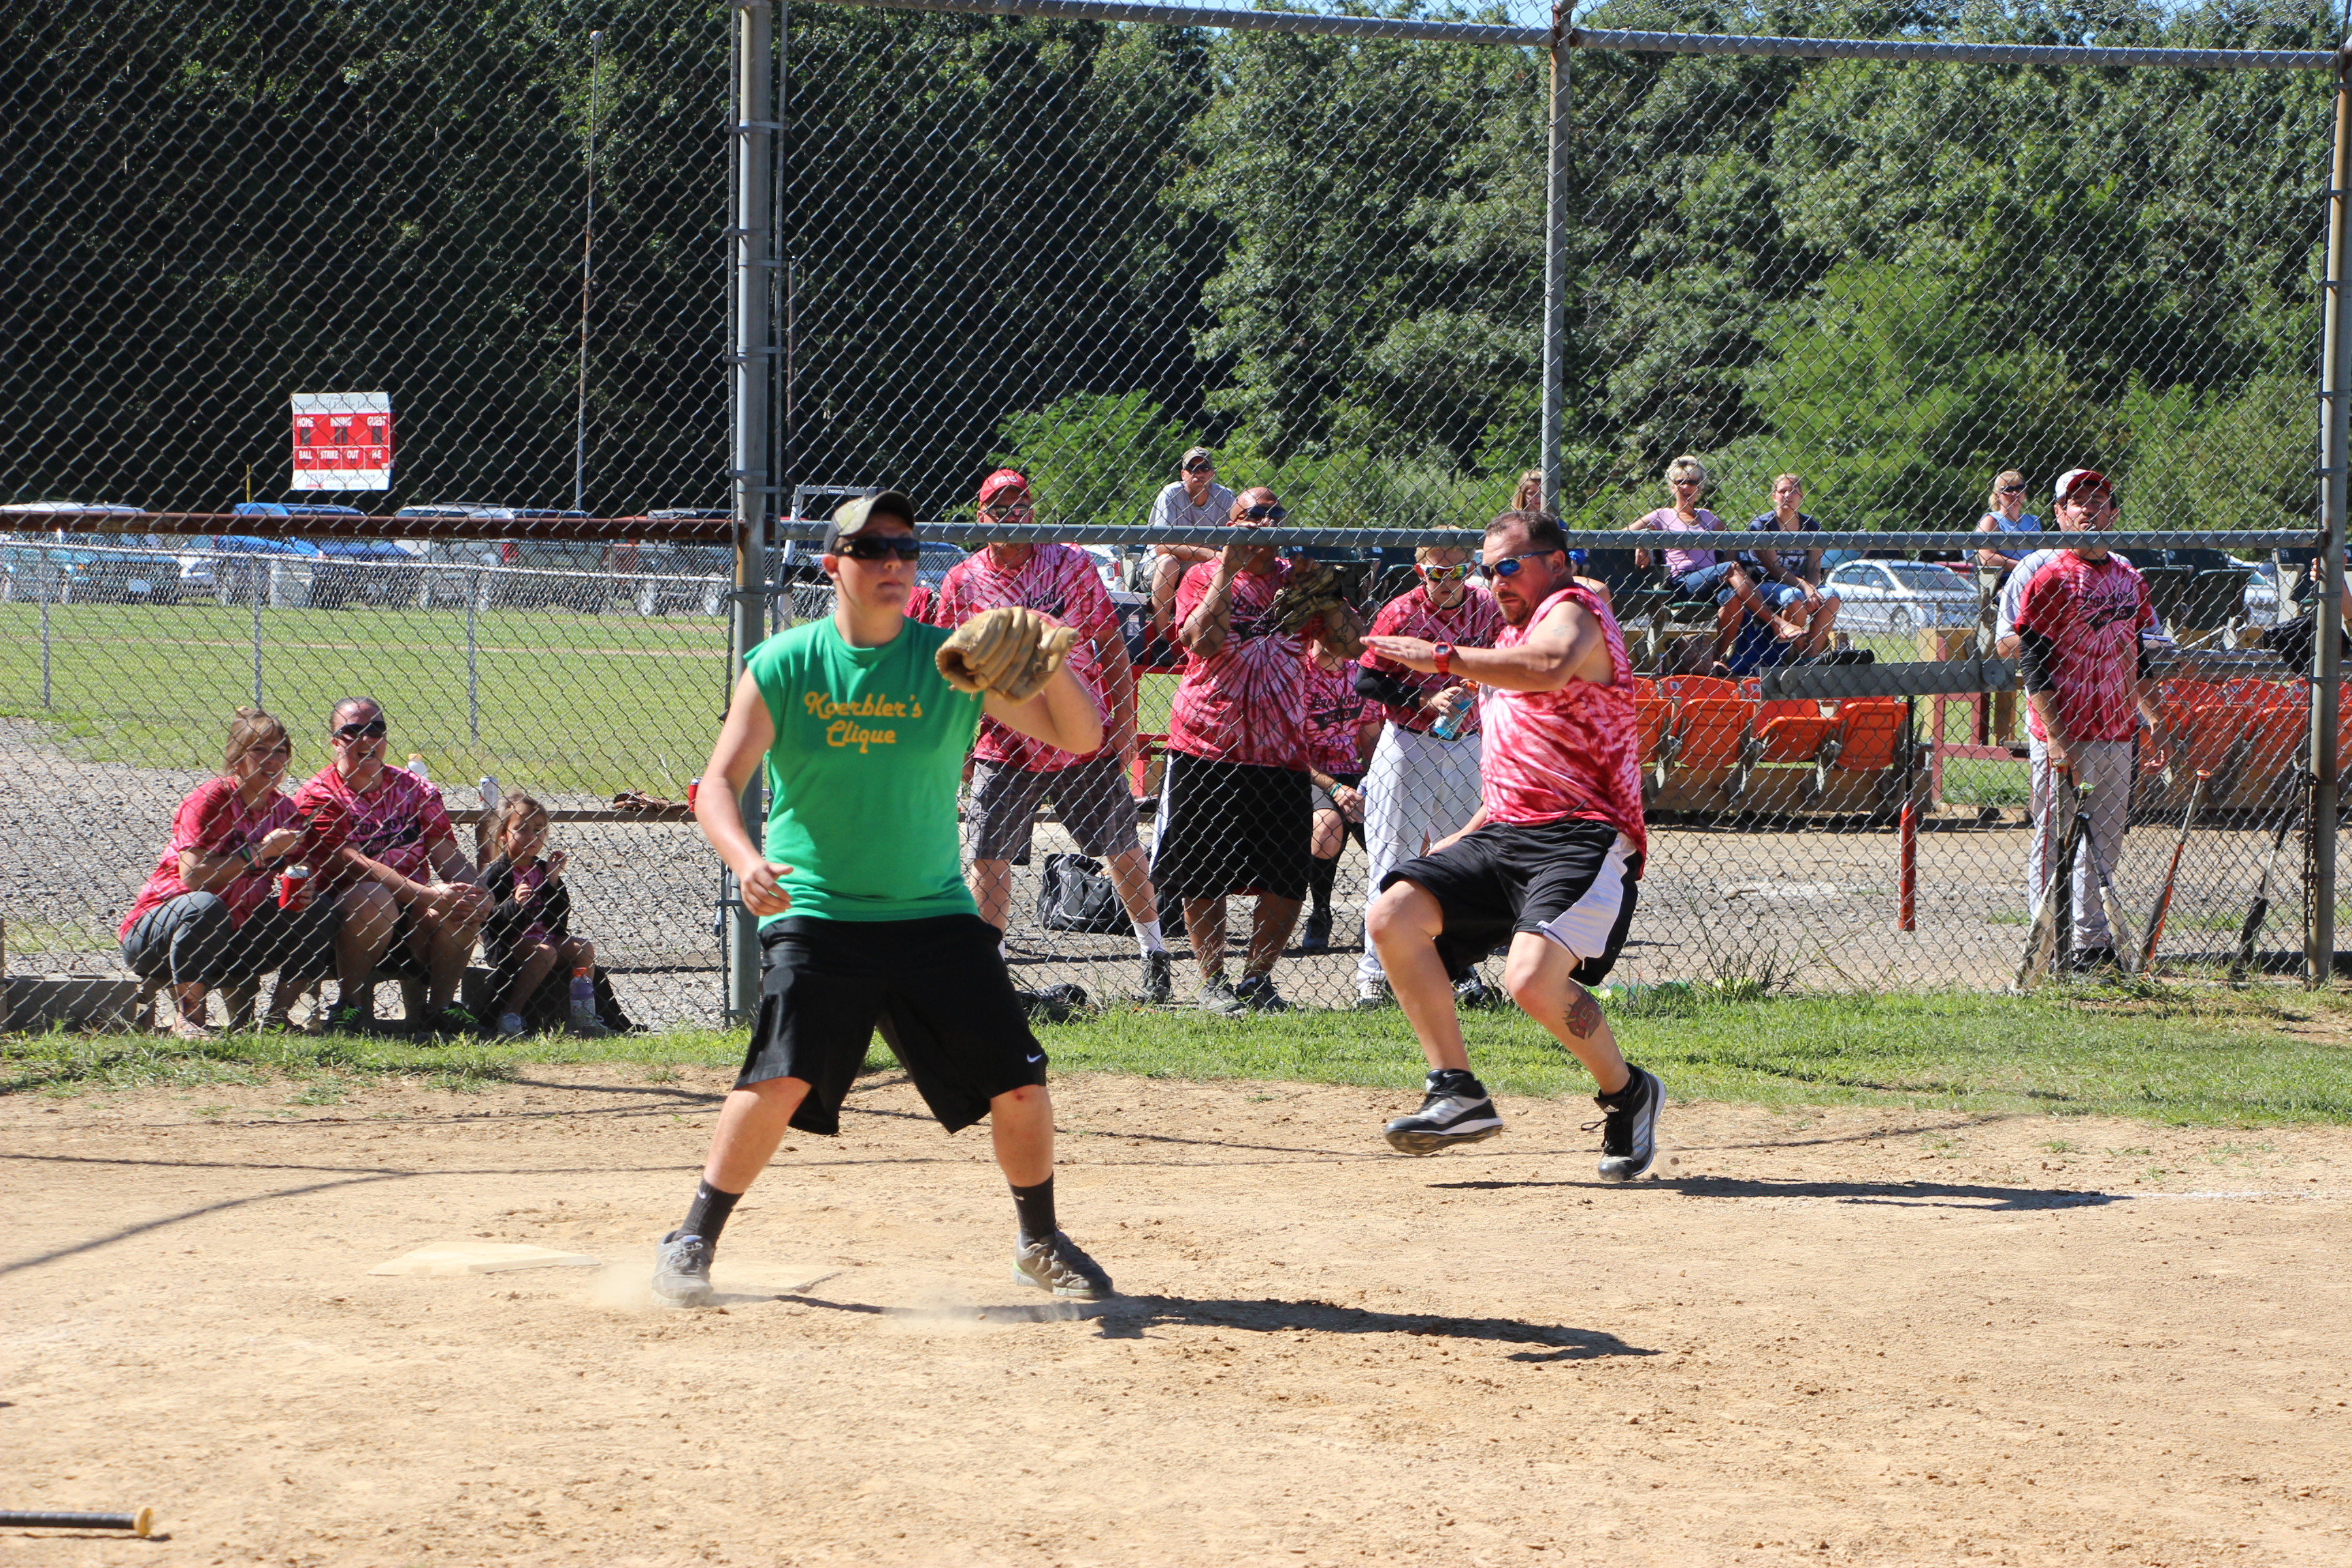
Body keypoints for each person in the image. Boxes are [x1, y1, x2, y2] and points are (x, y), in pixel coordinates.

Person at [651, 490, 1115, 1308]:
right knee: (780, 1078)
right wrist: (745, 859)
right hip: (818, 908)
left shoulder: (952, 663)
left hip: (932, 910)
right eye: (871, 549)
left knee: (1019, 1083)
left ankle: (1039, 1244)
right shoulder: (785, 662)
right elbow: (719, 782)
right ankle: (692, 1237)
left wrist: (1054, 660)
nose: (893, 562)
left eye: (905, 548)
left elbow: (1081, 738)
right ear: (833, 564)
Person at [1360, 510, 1663, 1180]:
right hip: (1504, 832)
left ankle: (1628, 1092)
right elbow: (1516, 767)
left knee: (1528, 982)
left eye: (1509, 566)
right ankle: (1456, 1091)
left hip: (1581, 834)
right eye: (1487, 569)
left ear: (1556, 563)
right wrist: (1463, 837)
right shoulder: (1506, 639)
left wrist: (1439, 657)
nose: (1495, 581)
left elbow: (1550, 666)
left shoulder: (1575, 611)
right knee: (1392, 914)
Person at [938, 469, 1173, 1003]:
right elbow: (955, 672)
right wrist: (959, 746)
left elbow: (1110, 642)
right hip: (1005, 740)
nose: (1012, 516)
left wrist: (1125, 723)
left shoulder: (1069, 562)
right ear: (981, 517)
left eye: (1021, 506)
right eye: (1000, 509)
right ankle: (992, 973)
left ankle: (1154, 955)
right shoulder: (963, 580)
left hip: (1080, 736)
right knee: (989, 857)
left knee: (1121, 848)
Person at [1154, 486, 1365, 1013]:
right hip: (1207, 744)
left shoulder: (1298, 581)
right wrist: (1227, 571)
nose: (1265, 524)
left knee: (1285, 874)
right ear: (1232, 525)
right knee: (1204, 870)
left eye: (1275, 515)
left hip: (1281, 749)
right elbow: (1200, 642)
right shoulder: (1204, 576)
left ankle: (1256, 979)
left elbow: (1348, 646)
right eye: (1253, 516)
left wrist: (1329, 594)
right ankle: (1213, 982)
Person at [2011, 469, 2163, 972]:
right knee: (2055, 838)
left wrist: (2154, 718)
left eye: (2099, 500)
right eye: (2077, 502)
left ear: (2114, 513)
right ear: (2060, 514)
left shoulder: (2129, 577)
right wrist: (2057, 739)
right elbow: (2032, 660)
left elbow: (2138, 654)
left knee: (2105, 842)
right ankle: (2046, 942)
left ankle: (2090, 944)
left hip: (2117, 730)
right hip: (2066, 734)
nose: (2089, 508)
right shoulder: (2051, 576)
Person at [1349, 533, 1505, 1009]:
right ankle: (1375, 974)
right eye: (1437, 572)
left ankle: (1457, 968)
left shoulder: (1486, 606)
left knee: (1462, 861)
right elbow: (1367, 679)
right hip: (1410, 742)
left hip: (1468, 741)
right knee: (1392, 855)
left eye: (1457, 571)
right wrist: (1423, 698)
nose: (1447, 581)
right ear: (1421, 571)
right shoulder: (1402, 610)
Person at [117, 707, 339, 1036]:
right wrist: (260, 851)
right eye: (260, 750)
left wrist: (300, 881)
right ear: (237, 757)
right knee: (205, 904)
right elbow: (193, 877)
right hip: (161, 933)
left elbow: (296, 864)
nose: (273, 760)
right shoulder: (211, 799)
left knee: (318, 909)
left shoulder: (283, 810)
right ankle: (189, 1020)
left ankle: (277, 1019)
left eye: (281, 751)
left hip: (233, 936)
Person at [292, 698, 491, 1036]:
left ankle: (441, 1008)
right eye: (353, 731)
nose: (366, 739)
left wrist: (479, 893)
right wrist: (428, 895)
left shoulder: (414, 788)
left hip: (414, 914)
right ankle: (349, 1005)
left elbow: (446, 853)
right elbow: (354, 863)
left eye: (376, 730)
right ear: (336, 742)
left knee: (462, 899)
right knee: (374, 897)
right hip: (345, 918)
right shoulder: (319, 795)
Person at [1628, 455, 1786, 672]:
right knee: (1731, 569)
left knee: (1733, 597)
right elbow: (1624, 534)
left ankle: (1717, 659)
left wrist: (1725, 567)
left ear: (1700, 488)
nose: (1686, 487)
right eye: (1680, 482)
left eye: (1692, 482)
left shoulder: (1709, 518)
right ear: (1672, 486)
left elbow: (1732, 544)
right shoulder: (1662, 515)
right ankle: (1777, 623)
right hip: (1682, 583)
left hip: (1712, 581)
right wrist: (1643, 542)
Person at [477, 791, 606, 1038]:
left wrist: (552, 879)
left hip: (545, 937)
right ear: (504, 834)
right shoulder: (497, 871)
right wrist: (515, 904)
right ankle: (511, 1015)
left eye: (538, 830)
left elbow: (560, 918)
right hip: (511, 942)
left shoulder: (541, 868)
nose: (531, 836)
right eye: (521, 829)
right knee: (545, 952)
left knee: (583, 948)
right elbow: (490, 920)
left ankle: (583, 1012)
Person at [1298, 631, 1372, 951]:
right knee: (1327, 827)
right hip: (1309, 774)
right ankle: (1320, 913)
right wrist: (1336, 788)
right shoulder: (1298, 675)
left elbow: (1370, 737)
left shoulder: (1360, 674)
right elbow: (1292, 750)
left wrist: (1375, 782)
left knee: (1392, 830)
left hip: (1353, 773)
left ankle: (1377, 915)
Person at [1738, 473, 1839, 663]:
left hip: (1801, 585)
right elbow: (1774, 568)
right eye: (1782, 491)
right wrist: (1805, 587)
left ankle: (1811, 657)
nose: (1787, 495)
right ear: (1774, 496)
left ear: (1801, 495)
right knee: (1795, 598)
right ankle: (1796, 656)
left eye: (1793, 491)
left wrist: (1812, 589)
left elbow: (1814, 568)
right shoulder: (1762, 525)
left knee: (1832, 596)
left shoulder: (1810, 525)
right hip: (1766, 583)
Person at [1145, 448, 1237, 655]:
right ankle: (1160, 642)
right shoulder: (1171, 494)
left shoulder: (1225, 496)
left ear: (1212, 473)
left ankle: (1221, 642)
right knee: (1168, 562)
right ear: (1183, 474)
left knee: (1227, 568)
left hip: (1204, 568)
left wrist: (1217, 558)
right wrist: (1210, 554)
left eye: (1204, 468)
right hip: (1161, 567)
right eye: (1192, 468)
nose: (1199, 473)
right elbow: (1162, 546)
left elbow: (1234, 539)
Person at [1972, 469, 2041, 574]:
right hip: (2005, 579)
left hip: (2034, 576)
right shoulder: (1991, 520)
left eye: (2020, 489)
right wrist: (2025, 567)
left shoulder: (2033, 521)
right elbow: (1987, 558)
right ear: (1997, 495)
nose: (2015, 494)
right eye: (2008, 489)